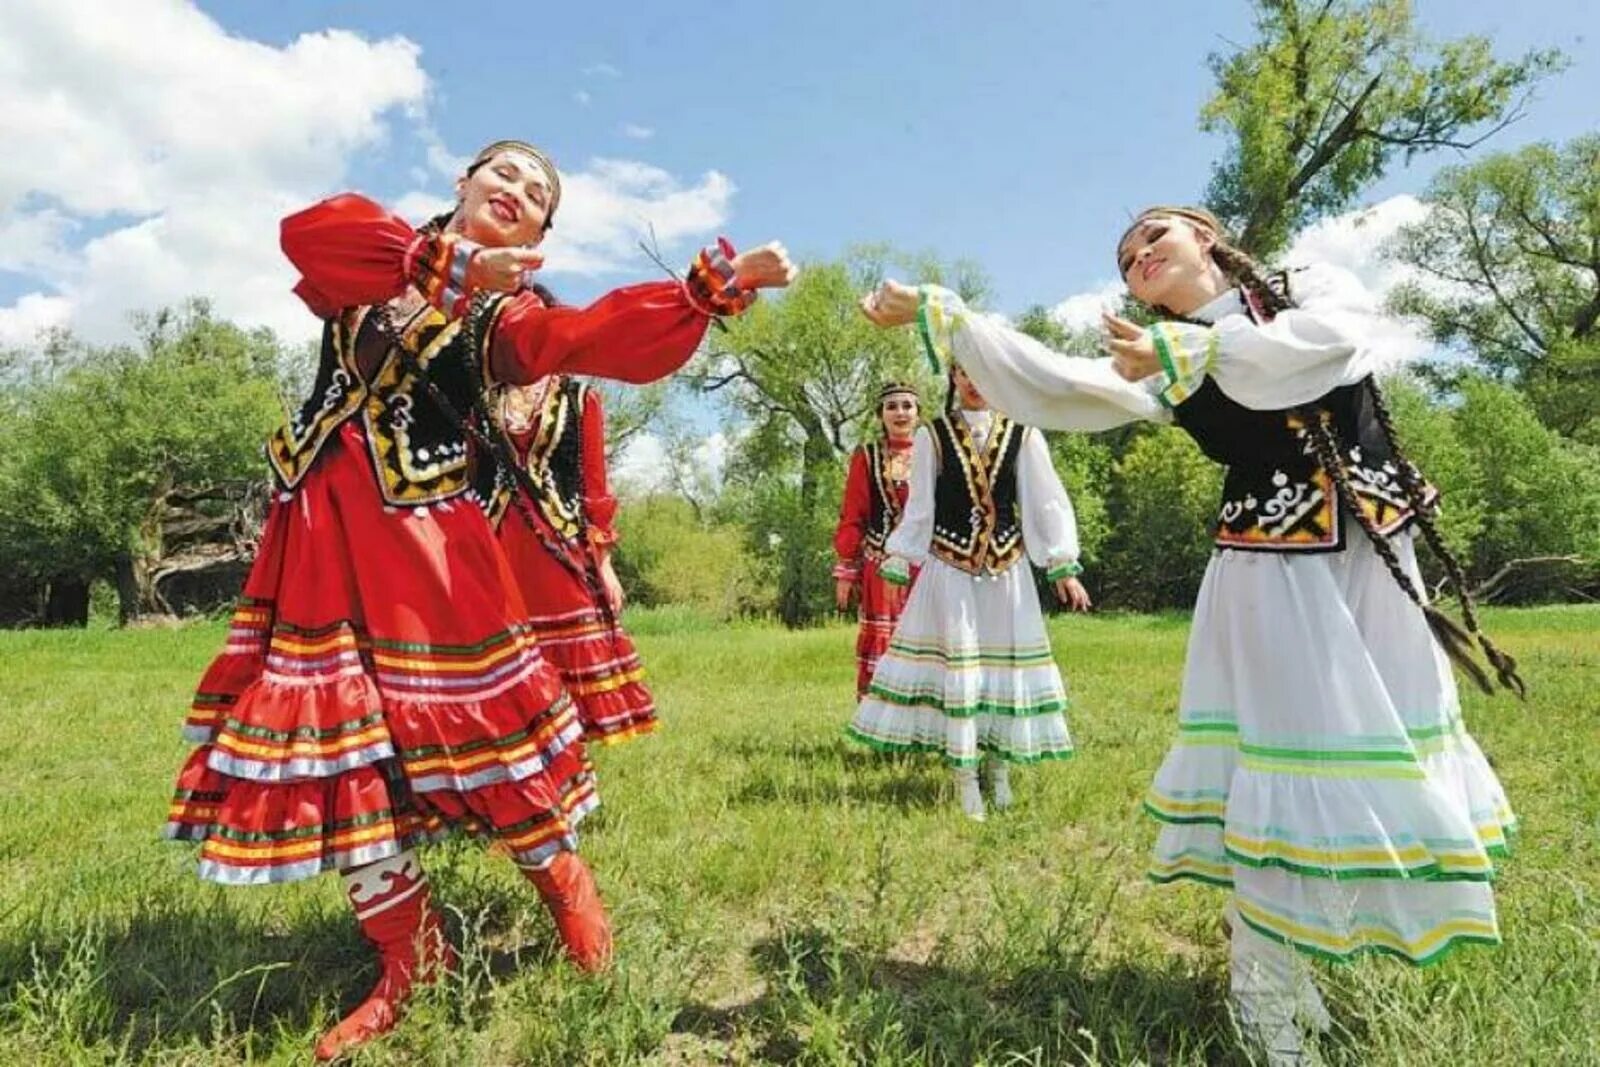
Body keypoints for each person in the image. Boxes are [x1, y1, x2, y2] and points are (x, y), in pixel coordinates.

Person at [162, 138, 793, 1060]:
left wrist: (693, 297)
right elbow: (303, 236)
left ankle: (572, 901)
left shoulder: (507, 314)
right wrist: (431, 260)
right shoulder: (378, 253)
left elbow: (575, 341)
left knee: (481, 738)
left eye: (538, 194)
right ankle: (414, 960)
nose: (518, 189)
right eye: (505, 171)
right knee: (332, 754)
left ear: (542, 230)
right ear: (463, 181)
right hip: (316, 543)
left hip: (424, 550)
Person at [860, 205, 1518, 1063]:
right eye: (1127, 260)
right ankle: (1266, 994)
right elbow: (1057, 385)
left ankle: (1306, 963)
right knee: (1290, 765)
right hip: (1273, 578)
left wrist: (1198, 349)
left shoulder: (1303, 289)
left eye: (1153, 240)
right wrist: (948, 312)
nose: (1140, 259)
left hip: (1371, 553)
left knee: (1380, 753)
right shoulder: (1155, 358)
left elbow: (1335, 343)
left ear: (1206, 238)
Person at [846, 365, 1090, 821]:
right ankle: (964, 781)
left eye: (983, 371)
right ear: (954, 379)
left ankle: (997, 772)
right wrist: (901, 553)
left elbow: (1044, 500)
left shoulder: (1024, 433)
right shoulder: (932, 436)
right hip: (951, 566)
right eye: (964, 373)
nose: (974, 382)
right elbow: (921, 506)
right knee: (962, 668)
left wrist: (1060, 564)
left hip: (1007, 567)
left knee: (1003, 669)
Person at [483, 373, 658, 744]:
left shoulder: (580, 398)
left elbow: (595, 484)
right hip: (499, 537)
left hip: (559, 536)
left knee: (572, 635)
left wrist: (605, 562)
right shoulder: (486, 397)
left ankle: (572, 741)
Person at [833, 381, 921, 699]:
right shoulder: (867, 456)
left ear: (918, 413)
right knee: (887, 644)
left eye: (907, 406)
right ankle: (881, 721)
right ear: (880, 415)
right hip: (882, 569)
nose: (900, 413)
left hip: (928, 567)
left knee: (928, 643)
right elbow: (853, 513)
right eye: (892, 406)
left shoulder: (934, 454)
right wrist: (846, 569)